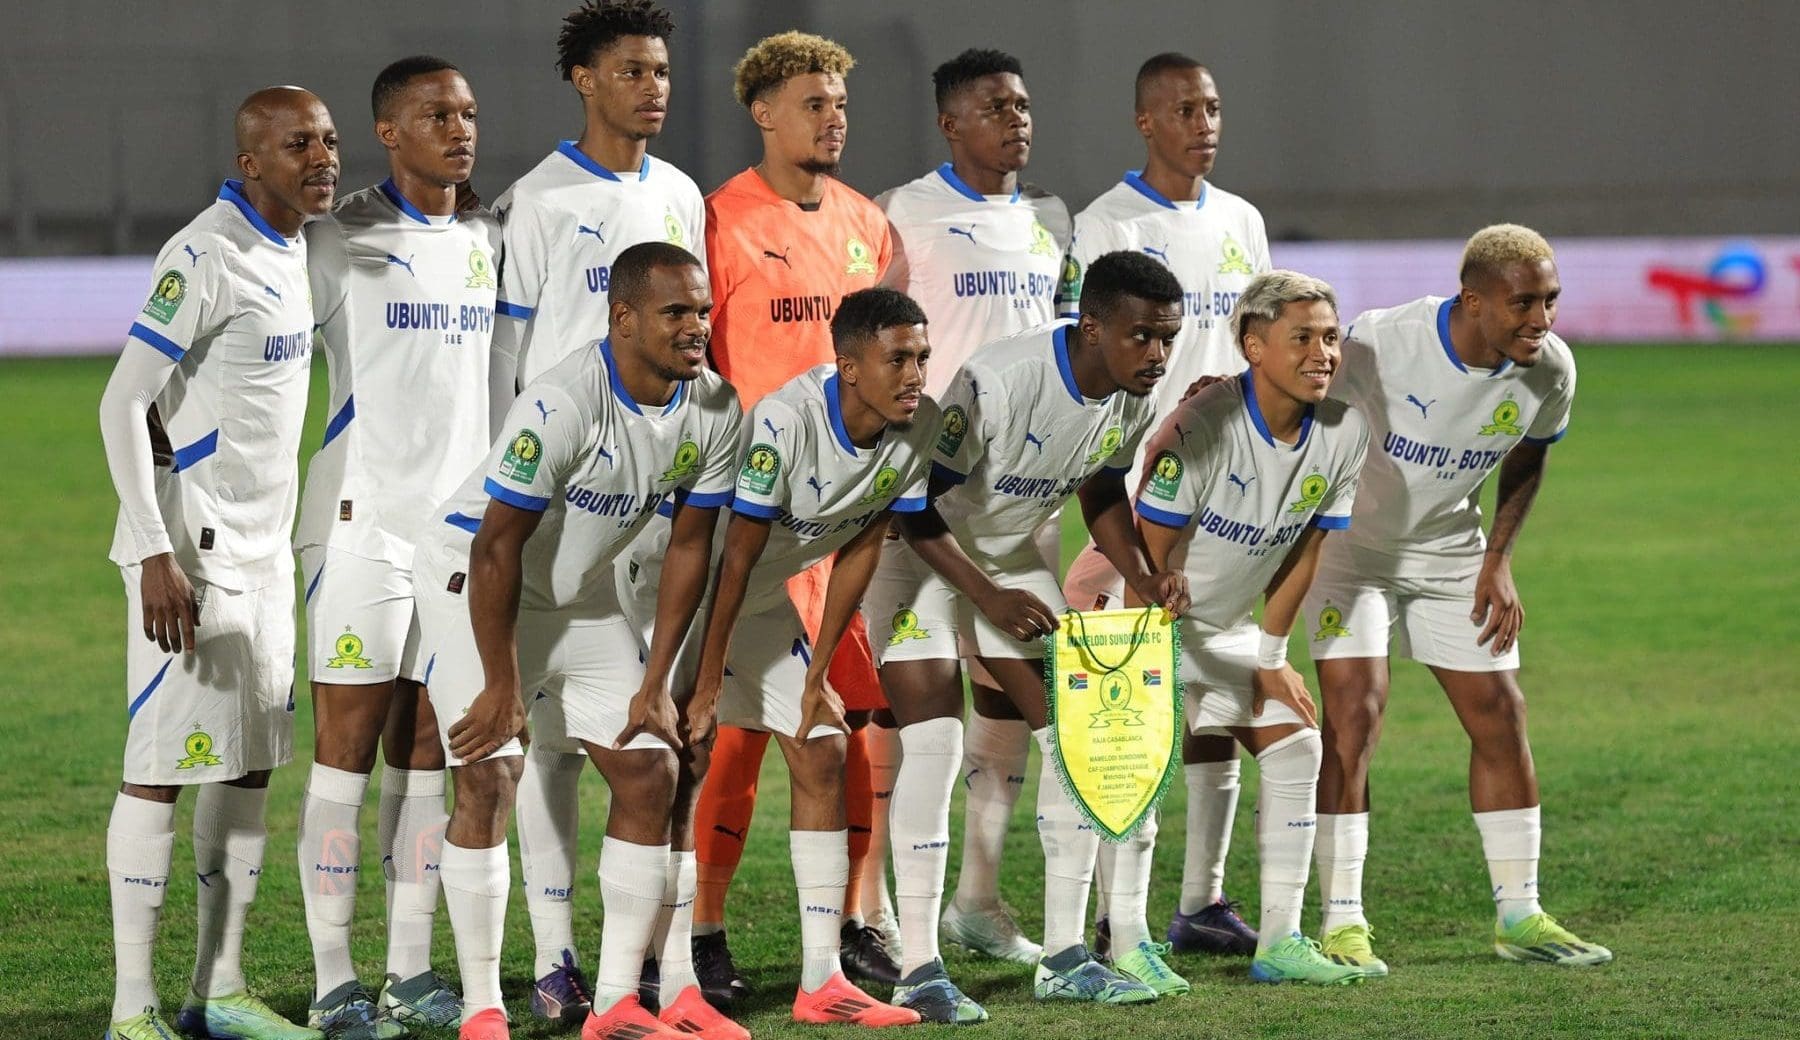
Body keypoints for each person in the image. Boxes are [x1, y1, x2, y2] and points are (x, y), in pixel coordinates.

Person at [409, 243, 743, 1040]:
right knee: (490, 776)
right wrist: (501, 683)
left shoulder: (718, 408)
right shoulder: (562, 402)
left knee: (650, 768)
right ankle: (485, 1007)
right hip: (475, 580)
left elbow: (692, 547)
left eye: (702, 311)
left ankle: (621, 1002)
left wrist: (656, 678)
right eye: (676, 313)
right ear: (623, 318)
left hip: (580, 594)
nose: (697, 327)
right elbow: (496, 547)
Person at [873, 250, 1188, 1010]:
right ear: (1093, 325)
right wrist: (987, 596)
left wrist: (1144, 578)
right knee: (935, 744)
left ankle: (1065, 955)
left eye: (1168, 339)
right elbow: (916, 502)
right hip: (913, 558)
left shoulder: (1133, 395)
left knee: (1074, 735)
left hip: (1008, 558)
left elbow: (1103, 485)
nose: (1157, 355)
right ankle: (919, 968)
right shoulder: (1001, 379)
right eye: (1142, 336)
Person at [1302, 224, 1611, 974]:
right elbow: (1297, 402)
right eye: (1523, 303)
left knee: (1501, 715)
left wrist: (1498, 557)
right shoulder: (1380, 344)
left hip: (1451, 554)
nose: (1542, 319)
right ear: (1473, 301)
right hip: (1350, 552)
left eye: (1551, 300)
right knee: (1354, 715)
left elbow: (1530, 456)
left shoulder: (1550, 370)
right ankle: (1343, 924)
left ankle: (1520, 917)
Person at [484, 2, 711, 1021]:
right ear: (584, 79)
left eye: (660, 69)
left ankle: (650, 956)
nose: (652, 86)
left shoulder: (680, 192)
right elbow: (509, 354)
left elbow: (699, 338)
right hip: (559, 498)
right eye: (630, 69)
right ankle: (553, 950)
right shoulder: (538, 199)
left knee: (650, 731)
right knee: (543, 744)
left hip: (654, 496)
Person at [97, 86, 337, 1040]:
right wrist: (155, 549)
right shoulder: (205, 253)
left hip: (264, 553)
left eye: (326, 140)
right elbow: (122, 402)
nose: (320, 157)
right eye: (296, 145)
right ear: (251, 162)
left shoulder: (294, 250)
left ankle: (220, 990)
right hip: (189, 560)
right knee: (161, 769)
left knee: (246, 769)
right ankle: (132, 1009)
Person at [685, 29, 899, 1002]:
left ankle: (854, 922)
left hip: (840, 521)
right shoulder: (720, 220)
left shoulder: (866, 223)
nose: (833, 118)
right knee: (733, 741)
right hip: (756, 519)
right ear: (763, 112)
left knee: (848, 728)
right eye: (813, 102)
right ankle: (705, 928)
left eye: (840, 103)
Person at [292, 56, 495, 1039]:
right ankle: (336, 979)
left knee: (426, 752)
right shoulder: (336, 240)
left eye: (465, 113)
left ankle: (410, 968)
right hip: (359, 529)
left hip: (453, 539)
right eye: (435, 115)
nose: (459, 129)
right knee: (345, 754)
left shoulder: (485, 241)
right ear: (388, 130)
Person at [1057, 51, 1270, 962]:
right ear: (1146, 122)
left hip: (1236, 488)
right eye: (1186, 108)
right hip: (1143, 491)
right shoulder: (1110, 221)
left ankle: (1202, 900)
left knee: (1217, 699)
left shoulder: (1244, 222)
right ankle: (1116, 912)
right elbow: (1083, 348)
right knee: (1136, 700)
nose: (1205, 122)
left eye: (1214, 106)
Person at [683, 287, 937, 1027]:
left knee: (822, 745)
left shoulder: (917, 427)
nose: (916, 373)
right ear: (850, 366)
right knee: (675, 764)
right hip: (689, 598)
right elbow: (734, 555)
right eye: (899, 358)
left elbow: (861, 542)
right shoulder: (784, 422)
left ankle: (822, 982)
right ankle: (665, 971)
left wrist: (819, 671)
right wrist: (704, 681)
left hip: (763, 602)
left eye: (922, 356)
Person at [872, 47, 1070, 965]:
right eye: (996, 105)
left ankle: (979, 904)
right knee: (918, 709)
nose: (1017, 118)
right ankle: (873, 909)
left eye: (1023, 104)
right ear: (951, 124)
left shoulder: (1048, 221)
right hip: (923, 500)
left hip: (1024, 504)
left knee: (1011, 699)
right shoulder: (902, 216)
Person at [1133, 271, 1371, 985]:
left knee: (1298, 744)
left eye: (1331, 337)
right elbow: (1146, 555)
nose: (1323, 353)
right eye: (1302, 338)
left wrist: (1270, 654)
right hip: (1140, 618)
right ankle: (1120, 937)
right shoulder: (1202, 426)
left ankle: (1280, 943)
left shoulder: (1344, 431)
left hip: (1226, 627)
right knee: (1131, 775)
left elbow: (1307, 548)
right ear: (1254, 345)